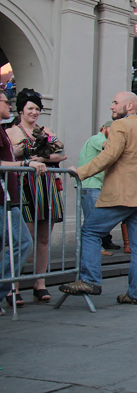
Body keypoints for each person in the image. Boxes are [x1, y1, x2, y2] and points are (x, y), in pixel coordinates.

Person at [60, 92, 137, 306]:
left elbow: (109, 156)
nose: (112, 106)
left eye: (115, 103)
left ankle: (90, 280)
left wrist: (81, 171)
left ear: (129, 106)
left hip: (123, 194)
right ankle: (136, 293)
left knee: (91, 231)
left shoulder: (120, 127)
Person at [7, 88, 68, 305]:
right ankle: (13, 286)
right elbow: (8, 155)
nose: (34, 112)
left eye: (37, 108)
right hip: (24, 186)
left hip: (46, 186)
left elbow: (62, 153)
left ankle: (39, 283)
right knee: (25, 238)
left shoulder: (46, 130)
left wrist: (40, 155)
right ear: (21, 110)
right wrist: (27, 155)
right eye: (30, 108)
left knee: (43, 238)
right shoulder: (11, 132)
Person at [0, 90, 45, 310]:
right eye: (5, 101)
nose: (8, 105)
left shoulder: (39, 131)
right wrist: (24, 163)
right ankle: (7, 288)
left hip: (9, 198)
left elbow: (59, 150)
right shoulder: (9, 130)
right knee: (22, 242)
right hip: (7, 197)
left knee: (23, 242)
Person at [77, 121, 115, 256]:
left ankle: (92, 248)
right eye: (113, 129)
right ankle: (93, 249)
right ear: (104, 128)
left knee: (92, 220)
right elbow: (106, 145)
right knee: (93, 221)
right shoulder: (97, 139)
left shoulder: (98, 139)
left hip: (93, 185)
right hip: (90, 185)